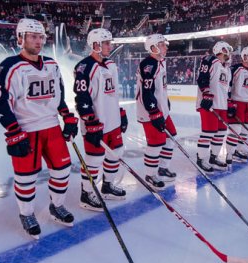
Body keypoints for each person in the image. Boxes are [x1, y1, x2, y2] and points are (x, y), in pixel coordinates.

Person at [0, 18, 78, 238]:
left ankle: (56, 205)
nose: (38, 41)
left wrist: (67, 116)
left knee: (62, 170)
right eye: (32, 36)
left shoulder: (51, 64)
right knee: (26, 177)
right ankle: (26, 213)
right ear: (20, 38)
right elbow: (1, 103)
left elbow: (59, 96)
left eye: (41, 36)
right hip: (25, 131)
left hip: (51, 127)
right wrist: (13, 131)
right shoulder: (10, 66)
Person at [73, 28, 127, 212]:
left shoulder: (111, 64)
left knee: (116, 153)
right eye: (106, 43)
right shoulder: (84, 67)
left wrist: (120, 112)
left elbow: (113, 94)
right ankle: (86, 194)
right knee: (93, 160)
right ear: (95, 45)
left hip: (113, 122)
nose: (109, 46)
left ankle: (107, 186)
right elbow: (81, 98)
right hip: (96, 124)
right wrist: (90, 122)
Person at [136, 33, 178, 189]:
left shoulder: (161, 62)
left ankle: (162, 167)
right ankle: (151, 174)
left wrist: (165, 103)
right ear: (152, 47)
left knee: (171, 136)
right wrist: (154, 112)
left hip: (162, 109)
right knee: (155, 144)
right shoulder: (149, 64)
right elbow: (147, 92)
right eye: (162, 45)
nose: (165, 47)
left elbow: (160, 88)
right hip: (150, 111)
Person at [195, 41, 233, 172]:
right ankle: (201, 159)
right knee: (208, 133)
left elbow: (226, 88)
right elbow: (202, 78)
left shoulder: (227, 68)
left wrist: (229, 102)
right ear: (221, 49)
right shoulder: (210, 60)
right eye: (227, 49)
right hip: (209, 104)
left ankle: (213, 157)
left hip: (222, 105)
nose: (229, 52)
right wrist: (206, 93)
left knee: (221, 132)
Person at [224, 47, 248, 165]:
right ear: (245, 56)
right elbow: (228, 86)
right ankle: (229, 153)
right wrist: (229, 101)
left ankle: (238, 150)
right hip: (238, 102)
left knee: (246, 129)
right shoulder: (235, 69)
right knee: (235, 130)